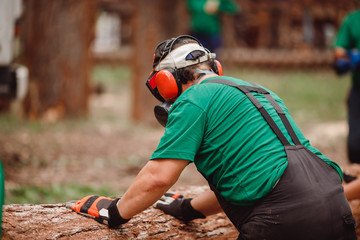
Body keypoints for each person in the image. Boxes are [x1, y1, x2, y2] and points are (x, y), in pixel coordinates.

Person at [71, 35, 356, 240]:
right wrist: (188, 208)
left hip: (281, 219)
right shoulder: (255, 90)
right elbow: (251, 178)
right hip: (334, 204)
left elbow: (159, 177)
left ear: (168, 81)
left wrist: (115, 212)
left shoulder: (193, 99)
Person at [333, 9, 360, 163]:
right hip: (358, 89)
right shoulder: (353, 20)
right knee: (355, 142)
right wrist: (352, 56)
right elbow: (338, 51)